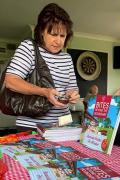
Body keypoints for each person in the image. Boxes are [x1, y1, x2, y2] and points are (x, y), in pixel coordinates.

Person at [4, 3, 80, 131]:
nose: (58, 41)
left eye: (62, 36)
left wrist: (72, 94)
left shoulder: (67, 58)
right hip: (33, 126)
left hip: (63, 123)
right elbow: (11, 81)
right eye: (53, 34)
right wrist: (44, 92)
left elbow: (71, 87)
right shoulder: (29, 48)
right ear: (41, 32)